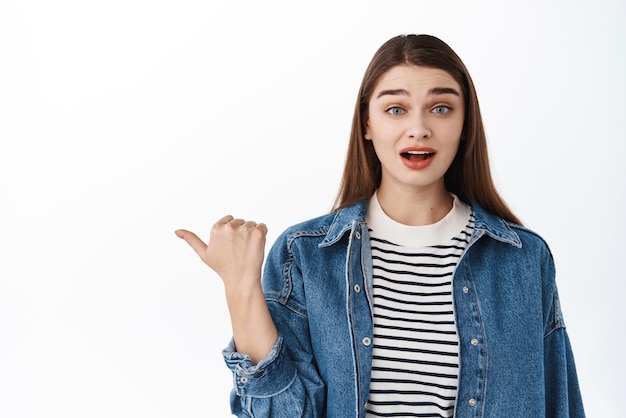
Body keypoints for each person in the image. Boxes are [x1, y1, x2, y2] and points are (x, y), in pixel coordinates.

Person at [175, 34, 585, 417]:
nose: (419, 128)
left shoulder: (523, 259)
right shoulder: (305, 256)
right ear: (368, 124)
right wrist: (240, 288)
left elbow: (559, 402)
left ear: (464, 125)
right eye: (395, 109)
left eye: (441, 108)